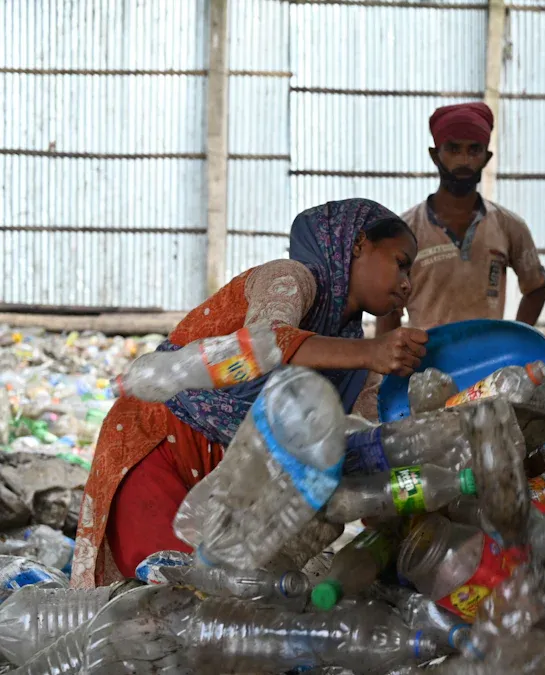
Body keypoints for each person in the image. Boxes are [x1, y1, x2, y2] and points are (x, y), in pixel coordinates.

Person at [72, 199, 429, 588]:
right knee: (161, 602)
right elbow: (265, 341)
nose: (408, 282)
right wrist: (371, 353)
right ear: (359, 244)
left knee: (210, 608)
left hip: (222, 482)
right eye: (401, 262)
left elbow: (362, 446)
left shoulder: (354, 359)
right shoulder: (290, 279)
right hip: (160, 442)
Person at [377, 102, 545, 334]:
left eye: (474, 150)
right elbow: (389, 309)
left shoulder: (508, 226)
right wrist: (389, 365)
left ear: (486, 158)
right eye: (454, 149)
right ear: (435, 155)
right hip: (426, 361)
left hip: (488, 362)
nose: (464, 160)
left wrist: (515, 337)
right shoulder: (405, 230)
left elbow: (536, 286)